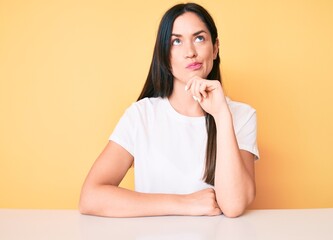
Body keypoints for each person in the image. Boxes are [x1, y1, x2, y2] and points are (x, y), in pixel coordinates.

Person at [79, 2, 259, 218]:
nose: (190, 52)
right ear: (164, 55)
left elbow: (234, 206)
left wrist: (221, 115)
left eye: (199, 38)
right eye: (176, 41)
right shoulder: (141, 115)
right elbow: (90, 197)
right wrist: (185, 204)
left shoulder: (241, 115)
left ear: (215, 48)